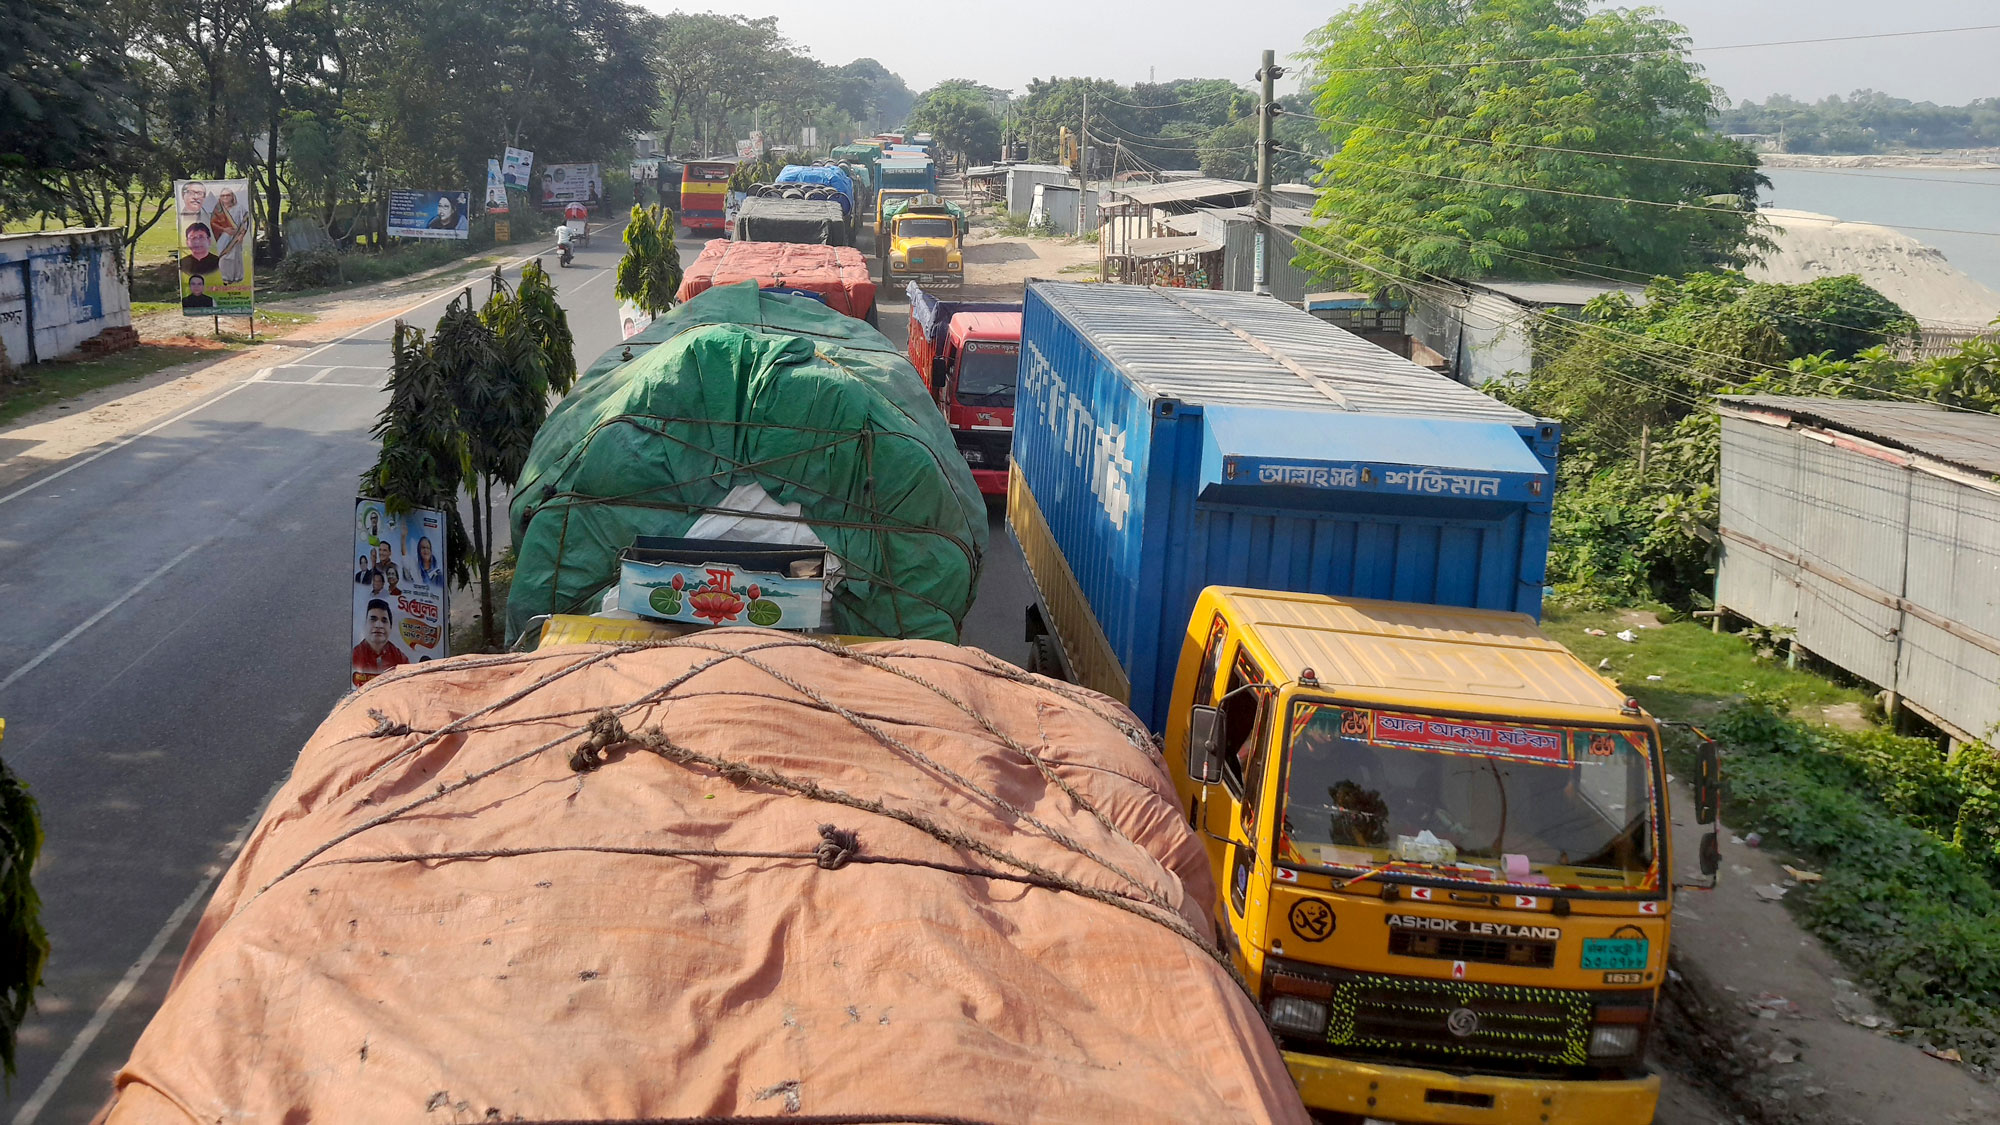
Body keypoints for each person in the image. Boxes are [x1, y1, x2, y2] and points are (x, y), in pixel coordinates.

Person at [352, 599, 410, 682]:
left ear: (390, 627)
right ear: (365, 624)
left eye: (384, 620)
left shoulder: (399, 657)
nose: (378, 625)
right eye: (373, 619)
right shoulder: (355, 655)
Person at [209, 188, 249, 283]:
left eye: (228, 195)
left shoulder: (239, 208)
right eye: (223, 196)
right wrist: (224, 229)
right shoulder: (218, 210)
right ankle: (226, 278)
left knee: (236, 257)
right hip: (223, 237)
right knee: (224, 257)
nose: (226, 197)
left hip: (236, 237)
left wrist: (241, 235)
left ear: (232, 196)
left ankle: (237, 277)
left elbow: (245, 222)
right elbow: (213, 223)